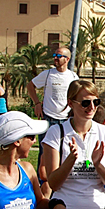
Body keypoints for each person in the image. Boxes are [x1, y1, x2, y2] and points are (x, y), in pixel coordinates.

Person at [42, 80, 105, 209]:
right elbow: (53, 184)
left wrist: (98, 165)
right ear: (71, 103)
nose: (92, 107)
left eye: (96, 102)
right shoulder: (56, 133)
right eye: (85, 103)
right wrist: (71, 159)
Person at [27, 47, 79, 178]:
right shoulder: (48, 74)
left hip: (66, 120)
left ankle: (62, 178)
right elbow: (30, 86)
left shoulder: (73, 76)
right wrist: (37, 103)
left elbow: (77, 95)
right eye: (54, 55)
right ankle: (42, 181)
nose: (55, 58)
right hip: (48, 118)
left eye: (59, 56)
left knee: (65, 150)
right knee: (44, 151)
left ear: (67, 59)